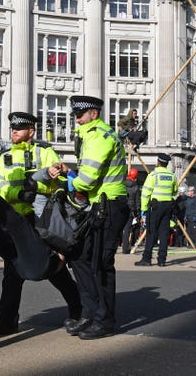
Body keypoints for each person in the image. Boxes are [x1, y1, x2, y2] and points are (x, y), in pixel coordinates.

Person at [0, 112, 81, 336]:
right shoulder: (4, 156)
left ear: (31, 131)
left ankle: (77, 308)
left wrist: (40, 185)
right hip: (15, 220)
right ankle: (7, 320)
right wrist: (17, 193)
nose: (14, 131)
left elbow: (61, 183)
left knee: (53, 269)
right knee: (12, 270)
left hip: (39, 219)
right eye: (13, 128)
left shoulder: (44, 152)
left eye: (20, 128)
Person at [61, 96, 129, 340]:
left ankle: (104, 320)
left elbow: (88, 179)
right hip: (99, 205)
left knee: (101, 264)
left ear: (94, 114)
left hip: (107, 205)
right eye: (75, 115)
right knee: (80, 257)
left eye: (80, 114)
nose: (77, 119)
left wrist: (69, 182)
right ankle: (90, 313)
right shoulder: (93, 133)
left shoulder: (97, 135)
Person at [135, 153, 178, 267]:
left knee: (151, 232)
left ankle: (146, 259)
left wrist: (143, 210)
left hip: (155, 207)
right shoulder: (172, 175)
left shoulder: (153, 175)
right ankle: (162, 260)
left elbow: (145, 193)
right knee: (164, 234)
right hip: (167, 206)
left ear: (158, 162)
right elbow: (175, 191)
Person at [121, 168, 141, 254]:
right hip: (130, 210)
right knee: (127, 229)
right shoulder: (136, 188)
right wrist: (138, 213)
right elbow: (137, 202)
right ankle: (125, 248)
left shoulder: (122, 184)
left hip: (122, 208)